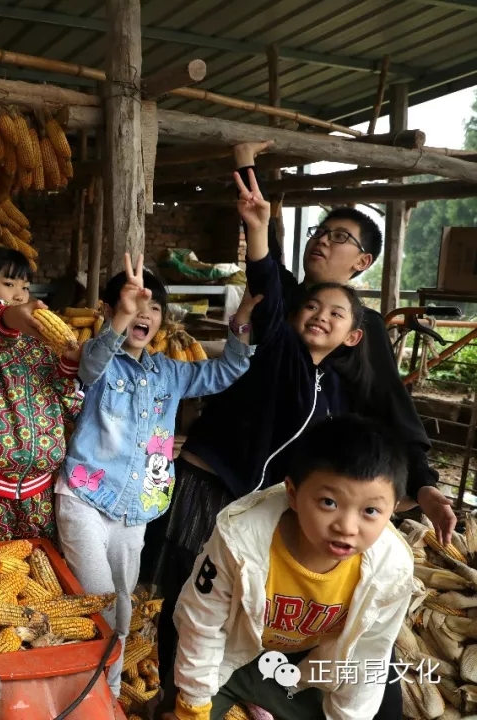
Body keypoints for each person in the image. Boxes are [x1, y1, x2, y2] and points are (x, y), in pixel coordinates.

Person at [154, 170, 371, 699]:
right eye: (310, 308)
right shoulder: (282, 351)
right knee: (186, 596)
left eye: (335, 314)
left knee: (236, 603)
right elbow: (270, 289)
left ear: (352, 336)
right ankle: (172, 694)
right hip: (209, 486)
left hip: (257, 504)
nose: (319, 316)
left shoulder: (333, 388)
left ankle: (223, 691)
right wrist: (258, 229)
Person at [56, 252, 255, 700]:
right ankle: (84, 696)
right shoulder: (99, 362)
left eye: (154, 308)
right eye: (133, 304)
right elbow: (90, 365)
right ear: (111, 310)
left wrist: (241, 318)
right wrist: (121, 317)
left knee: (123, 608)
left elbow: (229, 370)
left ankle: (105, 697)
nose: (144, 314)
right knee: (101, 602)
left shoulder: (169, 372)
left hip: (136, 509)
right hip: (85, 499)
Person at [237, 142, 454, 545]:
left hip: (319, 484)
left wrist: (424, 482)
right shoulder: (283, 297)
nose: (322, 241)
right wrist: (246, 161)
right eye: (319, 232)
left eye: (339, 237)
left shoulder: (365, 327)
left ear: (362, 262)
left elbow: (390, 405)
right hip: (247, 465)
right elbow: (261, 235)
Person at [163, 415, 414, 720]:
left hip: (303, 667)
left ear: (393, 509)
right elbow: (202, 623)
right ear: (293, 494)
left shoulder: (391, 570)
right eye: (329, 503)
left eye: (370, 511)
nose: (347, 527)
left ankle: (265, 703)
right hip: (232, 653)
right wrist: (194, 705)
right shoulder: (239, 540)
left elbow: (367, 656)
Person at [0, 247, 83, 542]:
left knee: (40, 563)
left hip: (39, 491)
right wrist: (11, 317)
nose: (19, 294)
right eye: (8, 284)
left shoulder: (39, 346)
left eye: (25, 287)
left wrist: (72, 363)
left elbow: (66, 396)